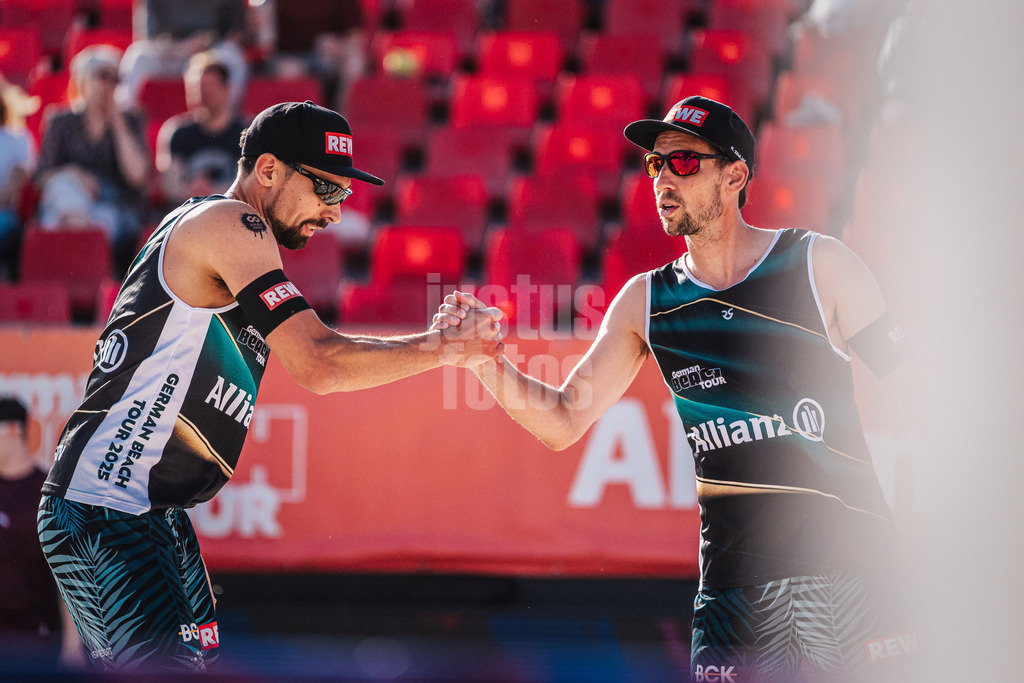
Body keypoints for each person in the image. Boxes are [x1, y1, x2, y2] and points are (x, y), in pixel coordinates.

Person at [435, 96, 922, 681]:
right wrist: (483, 362)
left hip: (859, 580)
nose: (663, 178)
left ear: (736, 175)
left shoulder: (819, 265)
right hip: (735, 599)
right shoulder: (647, 301)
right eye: (655, 165)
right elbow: (563, 421)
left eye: (684, 163)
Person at [37, 100, 503, 673]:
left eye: (344, 196)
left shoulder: (225, 231)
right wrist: (443, 349)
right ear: (267, 171)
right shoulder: (233, 224)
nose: (334, 214)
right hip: (107, 505)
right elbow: (320, 364)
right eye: (326, 191)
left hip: (150, 510)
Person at [34, 44, 150, 272]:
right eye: (103, 76)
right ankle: (82, 242)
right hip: (67, 207)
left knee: (84, 222)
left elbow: (137, 177)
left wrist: (117, 122)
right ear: (82, 82)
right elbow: (40, 178)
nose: (109, 85)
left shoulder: (132, 120)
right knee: (62, 186)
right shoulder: (60, 122)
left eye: (115, 78)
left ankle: (78, 247)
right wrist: (75, 175)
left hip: (114, 209)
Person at [0, 398, 84, 672]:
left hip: (39, 642)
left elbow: (68, 576)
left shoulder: (48, 494)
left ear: (13, 430)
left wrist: (73, 647)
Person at [155, 51, 249, 209]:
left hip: (233, 213)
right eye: (196, 87)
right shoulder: (176, 132)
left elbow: (252, 185)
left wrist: (214, 192)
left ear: (226, 88)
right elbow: (169, 184)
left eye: (209, 86)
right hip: (187, 213)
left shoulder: (246, 133)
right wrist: (191, 191)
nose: (203, 92)